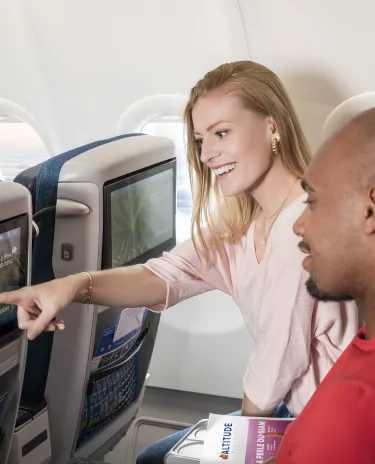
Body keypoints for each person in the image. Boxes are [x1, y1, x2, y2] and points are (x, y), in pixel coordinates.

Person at [0, 61, 358, 463]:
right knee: (155, 458)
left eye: (222, 133)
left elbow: (273, 368)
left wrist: (240, 451)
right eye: (201, 139)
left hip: (326, 418)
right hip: (291, 405)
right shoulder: (243, 223)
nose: (207, 154)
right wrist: (70, 285)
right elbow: (163, 275)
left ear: (273, 127)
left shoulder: (300, 228)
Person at [271, 107, 375, 463]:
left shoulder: (345, 421)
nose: (300, 226)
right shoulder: (365, 342)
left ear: (371, 211)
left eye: (313, 201)